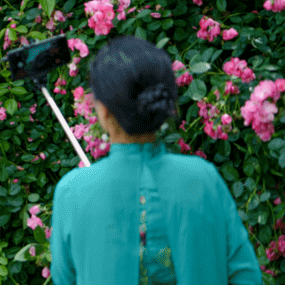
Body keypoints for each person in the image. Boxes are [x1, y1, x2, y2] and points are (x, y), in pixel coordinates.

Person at [49, 36, 263, 285]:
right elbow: (245, 275)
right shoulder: (204, 179)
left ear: (103, 109)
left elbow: (64, 279)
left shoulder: (72, 191)